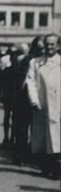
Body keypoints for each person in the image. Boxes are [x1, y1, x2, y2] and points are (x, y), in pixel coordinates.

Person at [26, 32, 60, 179]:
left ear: (58, 46)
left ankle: (57, 168)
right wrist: (34, 100)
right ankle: (45, 167)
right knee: (43, 137)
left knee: (57, 137)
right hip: (42, 104)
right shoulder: (35, 62)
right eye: (47, 44)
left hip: (58, 105)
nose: (49, 47)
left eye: (52, 44)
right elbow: (30, 82)